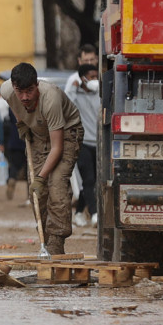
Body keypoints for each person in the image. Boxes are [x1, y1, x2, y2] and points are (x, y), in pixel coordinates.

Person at [0, 63, 83, 255]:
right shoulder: (6, 91)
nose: (25, 97)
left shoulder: (50, 98)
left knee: (55, 184)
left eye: (30, 91)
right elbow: (14, 104)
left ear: (37, 85)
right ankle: (44, 241)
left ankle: (56, 242)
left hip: (66, 133)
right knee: (37, 193)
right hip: (37, 134)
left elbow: (57, 147)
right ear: (13, 87)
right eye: (20, 92)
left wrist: (40, 177)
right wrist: (21, 122)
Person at [68, 64, 101, 226]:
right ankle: (94, 214)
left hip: (99, 144)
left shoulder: (99, 94)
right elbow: (66, 106)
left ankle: (79, 212)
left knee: (93, 181)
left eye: (96, 76)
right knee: (88, 180)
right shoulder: (76, 95)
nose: (94, 80)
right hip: (82, 143)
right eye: (91, 76)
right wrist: (74, 89)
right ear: (82, 78)